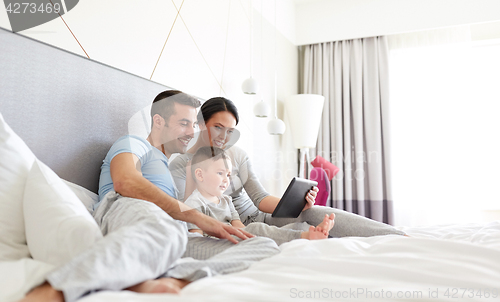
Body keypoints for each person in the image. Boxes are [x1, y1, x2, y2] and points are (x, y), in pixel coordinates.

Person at [21, 91, 279, 302]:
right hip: (130, 207)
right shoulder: (134, 143)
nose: (191, 132)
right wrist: (196, 217)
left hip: (175, 234)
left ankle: (170, 279)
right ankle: (49, 294)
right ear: (158, 122)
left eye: (193, 124)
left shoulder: (169, 166)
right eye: (183, 123)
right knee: (162, 229)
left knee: (262, 245)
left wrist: (205, 222)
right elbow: (125, 180)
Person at [170, 97, 407, 238]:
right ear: (201, 124)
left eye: (230, 131)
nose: (224, 136)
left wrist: (294, 204)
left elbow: (260, 197)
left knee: (313, 213)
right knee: (292, 231)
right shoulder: (182, 164)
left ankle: (394, 235)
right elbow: (187, 210)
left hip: (261, 215)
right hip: (234, 225)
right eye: (218, 127)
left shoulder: (237, 155)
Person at [185, 146, 335, 245]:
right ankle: (305, 237)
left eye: (228, 175)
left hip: (235, 237)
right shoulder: (193, 204)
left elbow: (241, 227)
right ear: (200, 174)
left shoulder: (226, 200)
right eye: (220, 173)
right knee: (256, 229)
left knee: (264, 228)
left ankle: (308, 231)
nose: (226, 180)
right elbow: (197, 240)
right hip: (218, 242)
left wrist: (251, 236)